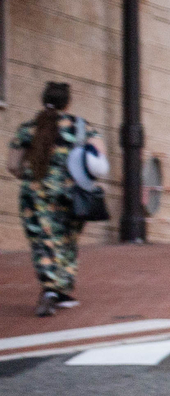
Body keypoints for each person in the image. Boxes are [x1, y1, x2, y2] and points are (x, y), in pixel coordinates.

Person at [9, 81, 97, 315]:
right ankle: (62, 290)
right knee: (67, 240)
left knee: (43, 240)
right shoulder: (81, 128)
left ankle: (49, 288)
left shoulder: (28, 128)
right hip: (71, 193)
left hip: (35, 192)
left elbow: (12, 165)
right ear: (68, 102)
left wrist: (29, 174)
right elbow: (98, 164)